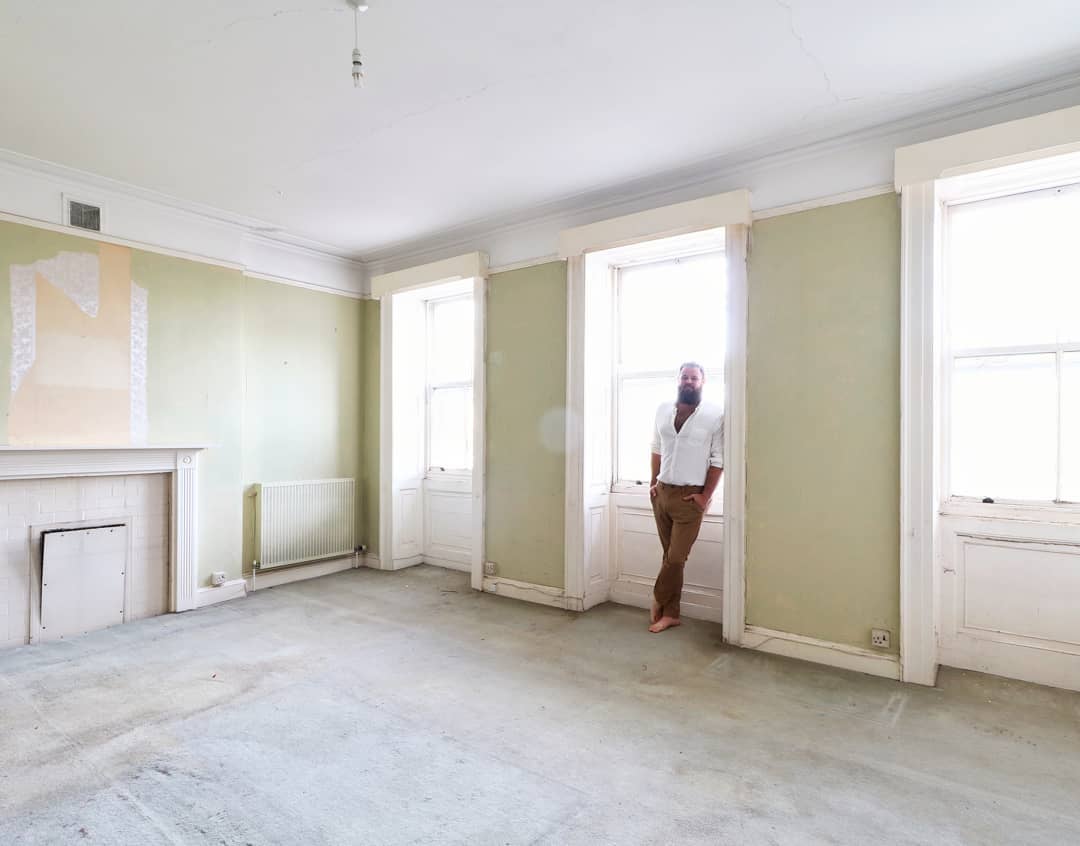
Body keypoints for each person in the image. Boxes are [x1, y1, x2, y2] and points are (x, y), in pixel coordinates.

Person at [647, 362, 723, 633]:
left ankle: (658, 599)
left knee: (676, 557)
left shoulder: (715, 415)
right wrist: (653, 481)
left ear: (702, 382)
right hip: (662, 493)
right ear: (678, 380)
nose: (688, 381)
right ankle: (671, 614)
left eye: (694, 378)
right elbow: (657, 448)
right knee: (669, 556)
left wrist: (705, 496)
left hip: (690, 498)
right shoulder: (662, 410)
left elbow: (718, 460)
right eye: (685, 377)